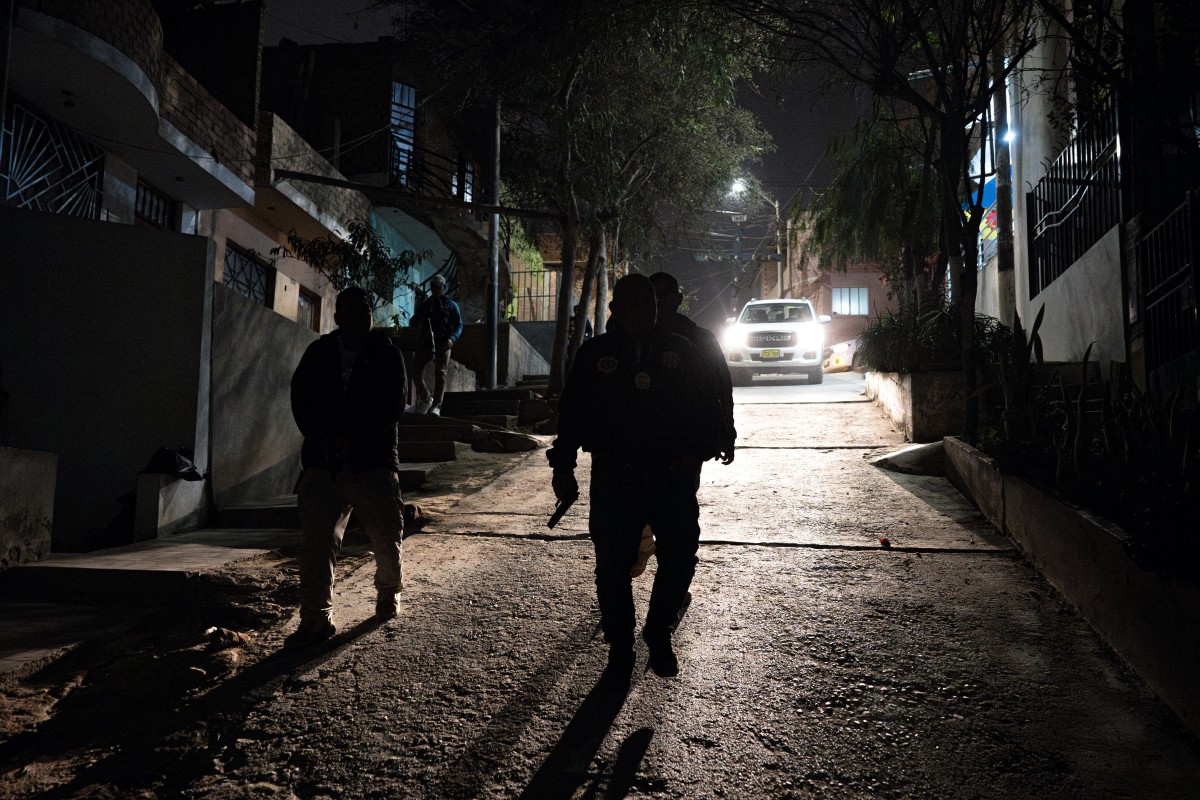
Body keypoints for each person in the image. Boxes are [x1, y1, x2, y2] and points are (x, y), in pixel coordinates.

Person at [547, 274, 723, 678]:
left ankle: (658, 633)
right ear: (616, 311)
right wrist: (563, 467)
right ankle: (620, 646)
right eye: (635, 303)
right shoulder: (595, 355)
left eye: (651, 303)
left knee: (680, 558)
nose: (646, 311)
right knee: (612, 564)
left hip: (670, 477)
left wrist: (699, 450)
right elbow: (571, 415)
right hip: (615, 476)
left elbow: (706, 409)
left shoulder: (682, 350)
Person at [287, 287, 409, 648]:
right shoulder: (319, 353)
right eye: (350, 311)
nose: (359, 317)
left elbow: (394, 405)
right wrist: (322, 438)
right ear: (338, 317)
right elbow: (301, 399)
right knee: (316, 544)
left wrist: (354, 439)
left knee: (387, 538)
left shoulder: (386, 353)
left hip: (372, 462)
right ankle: (316, 617)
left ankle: (388, 594)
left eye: (366, 310)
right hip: (323, 464)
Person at [407, 274, 463, 416]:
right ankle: (426, 399)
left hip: (443, 343)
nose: (435, 289)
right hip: (426, 343)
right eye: (433, 286)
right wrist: (419, 323)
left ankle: (437, 405)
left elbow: (459, 325)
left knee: (441, 374)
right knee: (416, 372)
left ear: (443, 288)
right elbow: (413, 321)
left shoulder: (451, 305)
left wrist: (452, 339)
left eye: (438, 287)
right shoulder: (427, 303)